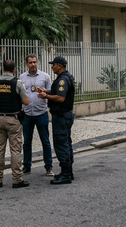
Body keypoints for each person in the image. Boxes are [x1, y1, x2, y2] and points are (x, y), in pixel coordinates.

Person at [0, 59, 30, 189]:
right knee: (15, 150)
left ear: (2, 69)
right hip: (13, 120)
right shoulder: (17, 83)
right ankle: (17, 179)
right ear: (14, 69)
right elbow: (26, 101)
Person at [38, 56, 75, 185]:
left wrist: (46, 96)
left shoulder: (62, 80)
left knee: (61, 143)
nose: (52, 67)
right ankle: (68, 171)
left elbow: (60, 98)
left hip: (61, 115)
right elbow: (58, 93)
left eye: (53, 65)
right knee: (66, 142)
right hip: (65, 115)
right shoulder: (65, 77)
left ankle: (65, 173)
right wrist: (46, 91)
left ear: (59, 66)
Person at [19, 54, 54, 176]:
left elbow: (51, 91)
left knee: (45, 141)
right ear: (26, 64)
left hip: (41, 113)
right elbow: (20, 94)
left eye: (34, 62)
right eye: (30, 62)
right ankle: (27, 166)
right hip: (27, 114)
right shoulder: (22, 77)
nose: (33, 64)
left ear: (37, 63)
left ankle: (48, 166)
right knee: (27, 141)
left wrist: (45, 92)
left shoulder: (45, 77)